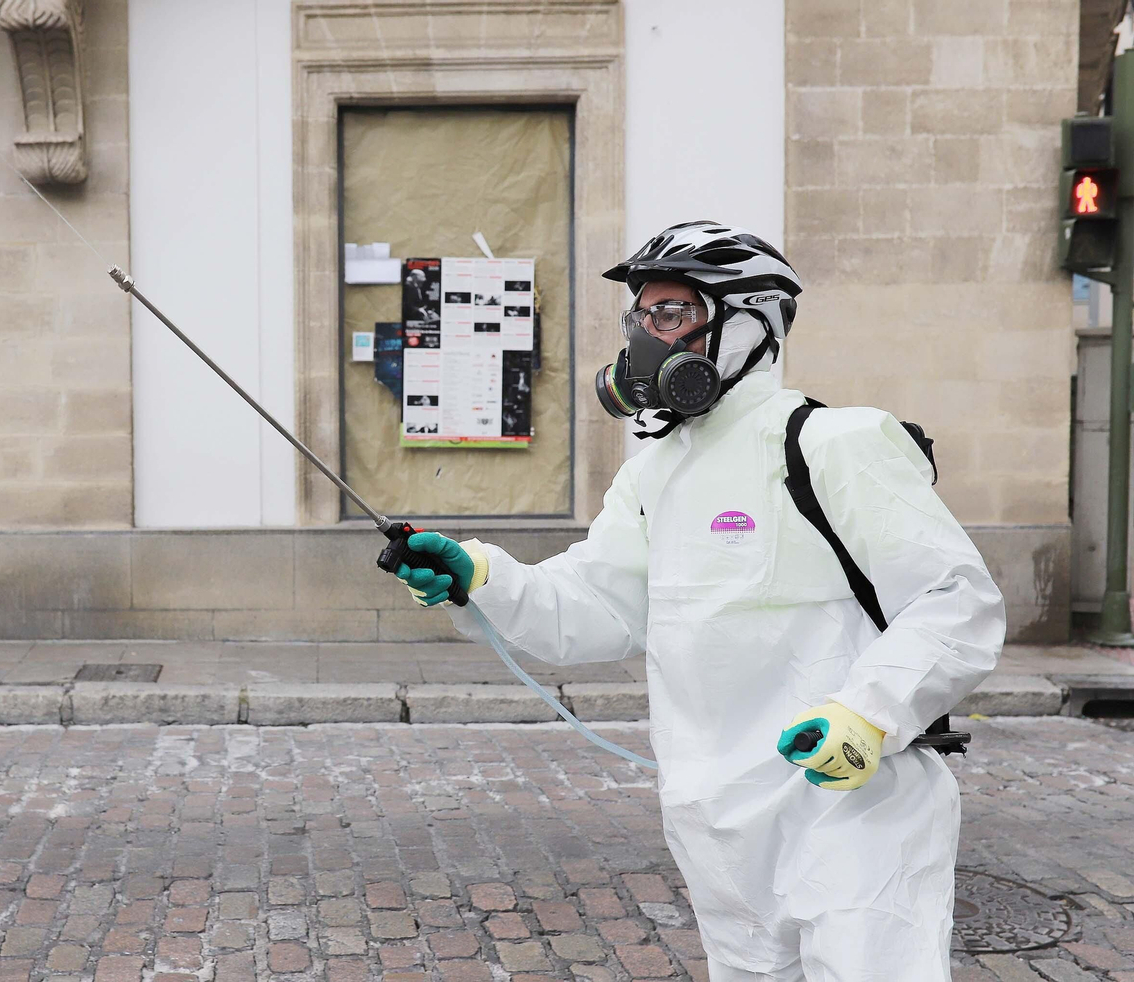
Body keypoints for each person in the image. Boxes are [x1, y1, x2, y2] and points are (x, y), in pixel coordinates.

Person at [393, 221, 1005, 981]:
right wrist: (482, 577)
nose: (645, 338)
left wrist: (872, 714)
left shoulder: (832, 444)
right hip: (717, 826)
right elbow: (599, 608)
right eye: (638, 318)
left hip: (850, 810)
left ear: (747, 326)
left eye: (671, 314)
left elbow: (957, 599)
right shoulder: (655, 475)